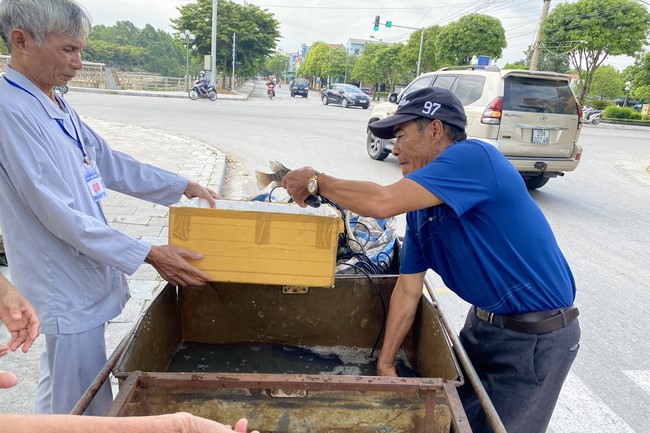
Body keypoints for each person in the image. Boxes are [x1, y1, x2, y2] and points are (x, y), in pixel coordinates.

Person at [282, 86, 580, 433]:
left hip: (535, 337)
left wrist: (317, 181)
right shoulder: (421, 214)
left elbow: (381, 201)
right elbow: (408, 291)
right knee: (451, 422)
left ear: (435, 130)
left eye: (402, 135)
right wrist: (385, 364)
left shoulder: (475, 158)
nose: (395, 148)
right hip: (483, 326)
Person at [0, 0, 221, 416]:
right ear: (21, 40)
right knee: (84, 401)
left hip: (80, 274)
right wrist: (148, 253)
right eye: (68, 50)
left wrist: (182, 185)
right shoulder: (10, 112)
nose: (79, 62)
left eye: (81, 50)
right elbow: (57, 211)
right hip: (60, 279)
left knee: (64, 388)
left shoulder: (53, 102)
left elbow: (106, 159)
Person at [0, 273, 259, 433]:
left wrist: (3, 290)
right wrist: (179, 426)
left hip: (71, 292)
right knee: (69, 390)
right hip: (63, 293)